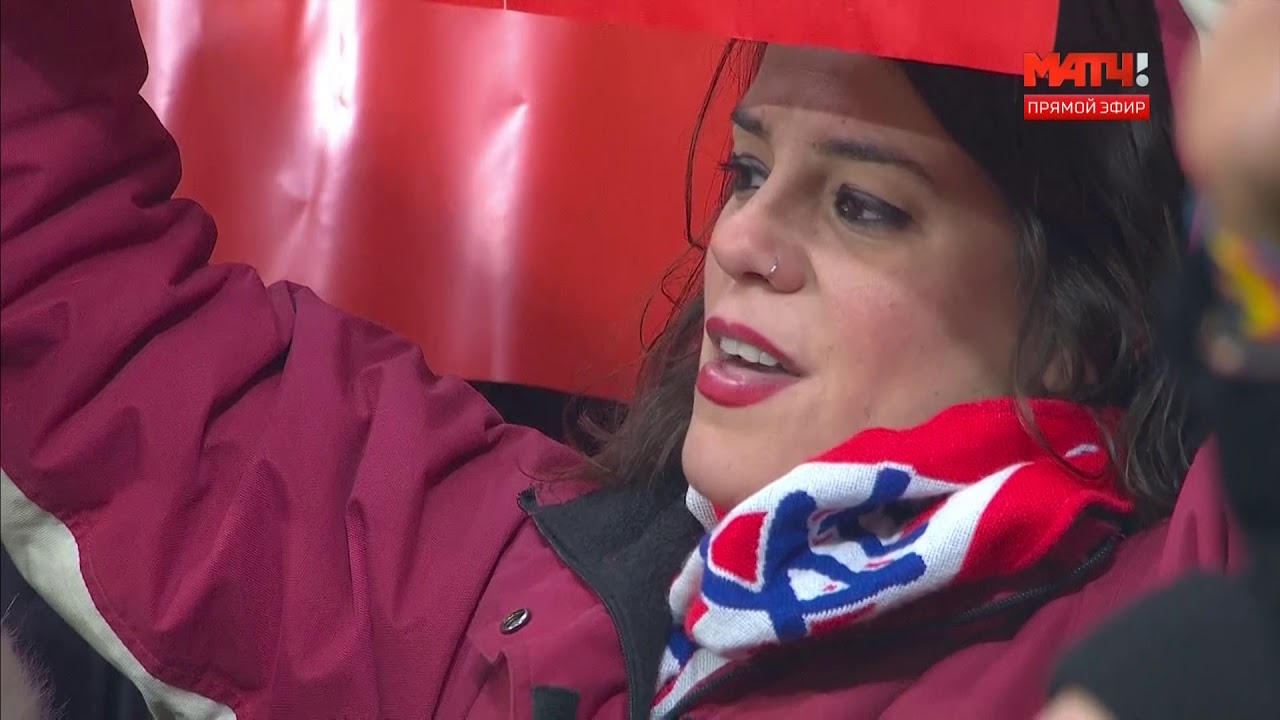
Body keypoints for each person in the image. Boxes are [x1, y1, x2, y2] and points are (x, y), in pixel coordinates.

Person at [0, 1, 1251, 720]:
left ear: (1088, 320)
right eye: (749, 171)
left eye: (864, 206)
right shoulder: (533, 594)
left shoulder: (1196, 605)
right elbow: (83, 304)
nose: (746, 240)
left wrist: (1156, 76)